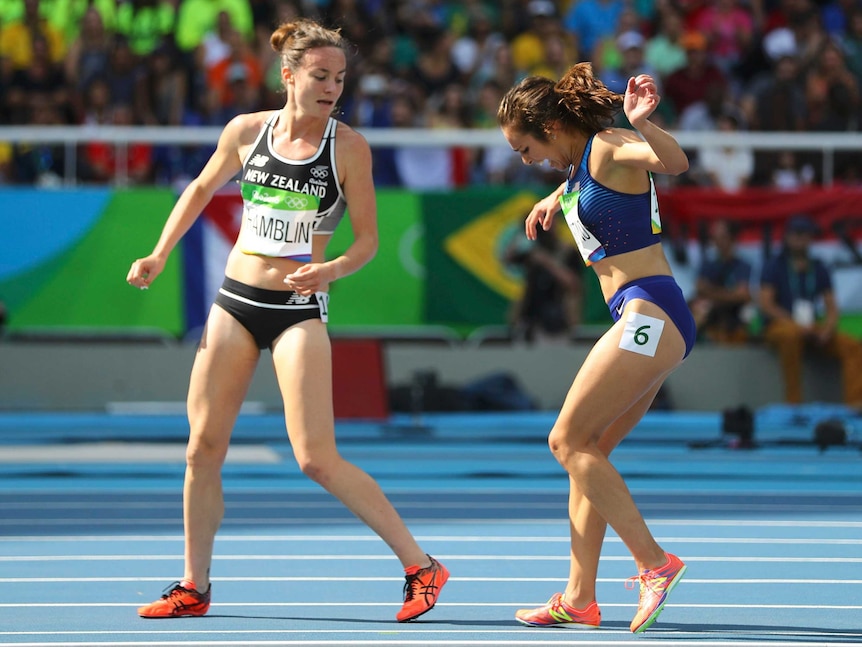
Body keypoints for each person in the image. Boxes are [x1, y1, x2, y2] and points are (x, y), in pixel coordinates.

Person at [127, 17, 449, 623]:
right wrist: (159, 252)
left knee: (315, 458)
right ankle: (194, 585)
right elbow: (198, 189)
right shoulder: (247, 132)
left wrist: (330, 271)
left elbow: (369, 242)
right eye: (321, 76)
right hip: (235, 301)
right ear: (289, 75)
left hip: (298, 309)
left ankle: (421, 565)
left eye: (341, 79)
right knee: (202, 448)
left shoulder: (348, 147)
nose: (332, 88)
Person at [496, 63, 694, 633]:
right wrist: (552, 198)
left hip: (648, 311)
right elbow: (585, 180)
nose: (526, 160)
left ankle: (655, 564)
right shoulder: (583, 166)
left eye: (525, 147)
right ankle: (580, 598)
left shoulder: (608, 144)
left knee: (565, 439)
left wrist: (643, 124)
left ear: (552, 127)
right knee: (588, 453)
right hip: (651, 315)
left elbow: (673, 164)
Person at [759, 214, 862, 407]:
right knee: (791, 335)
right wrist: (795, 324)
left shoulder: (819, 267)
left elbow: (831, 306)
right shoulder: (774, 265)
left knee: (853, 346)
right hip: (781, 326)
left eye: (806, 235)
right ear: (787, 236)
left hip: (810, 329)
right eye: (797, 234)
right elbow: (767, 304)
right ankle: (794, 403)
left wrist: (827, 329)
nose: (802, 239)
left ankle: (856, 403)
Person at [689, 218, 754, 343]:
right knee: (695, 306)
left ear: (732, 238)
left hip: (734, 313)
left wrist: (711, 292)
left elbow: (743, 296)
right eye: (715, 237)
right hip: (711, 311)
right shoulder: (708, 265)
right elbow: (699, 289)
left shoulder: (742, 266)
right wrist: (729, 294)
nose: (717, 241)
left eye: (722, 236)